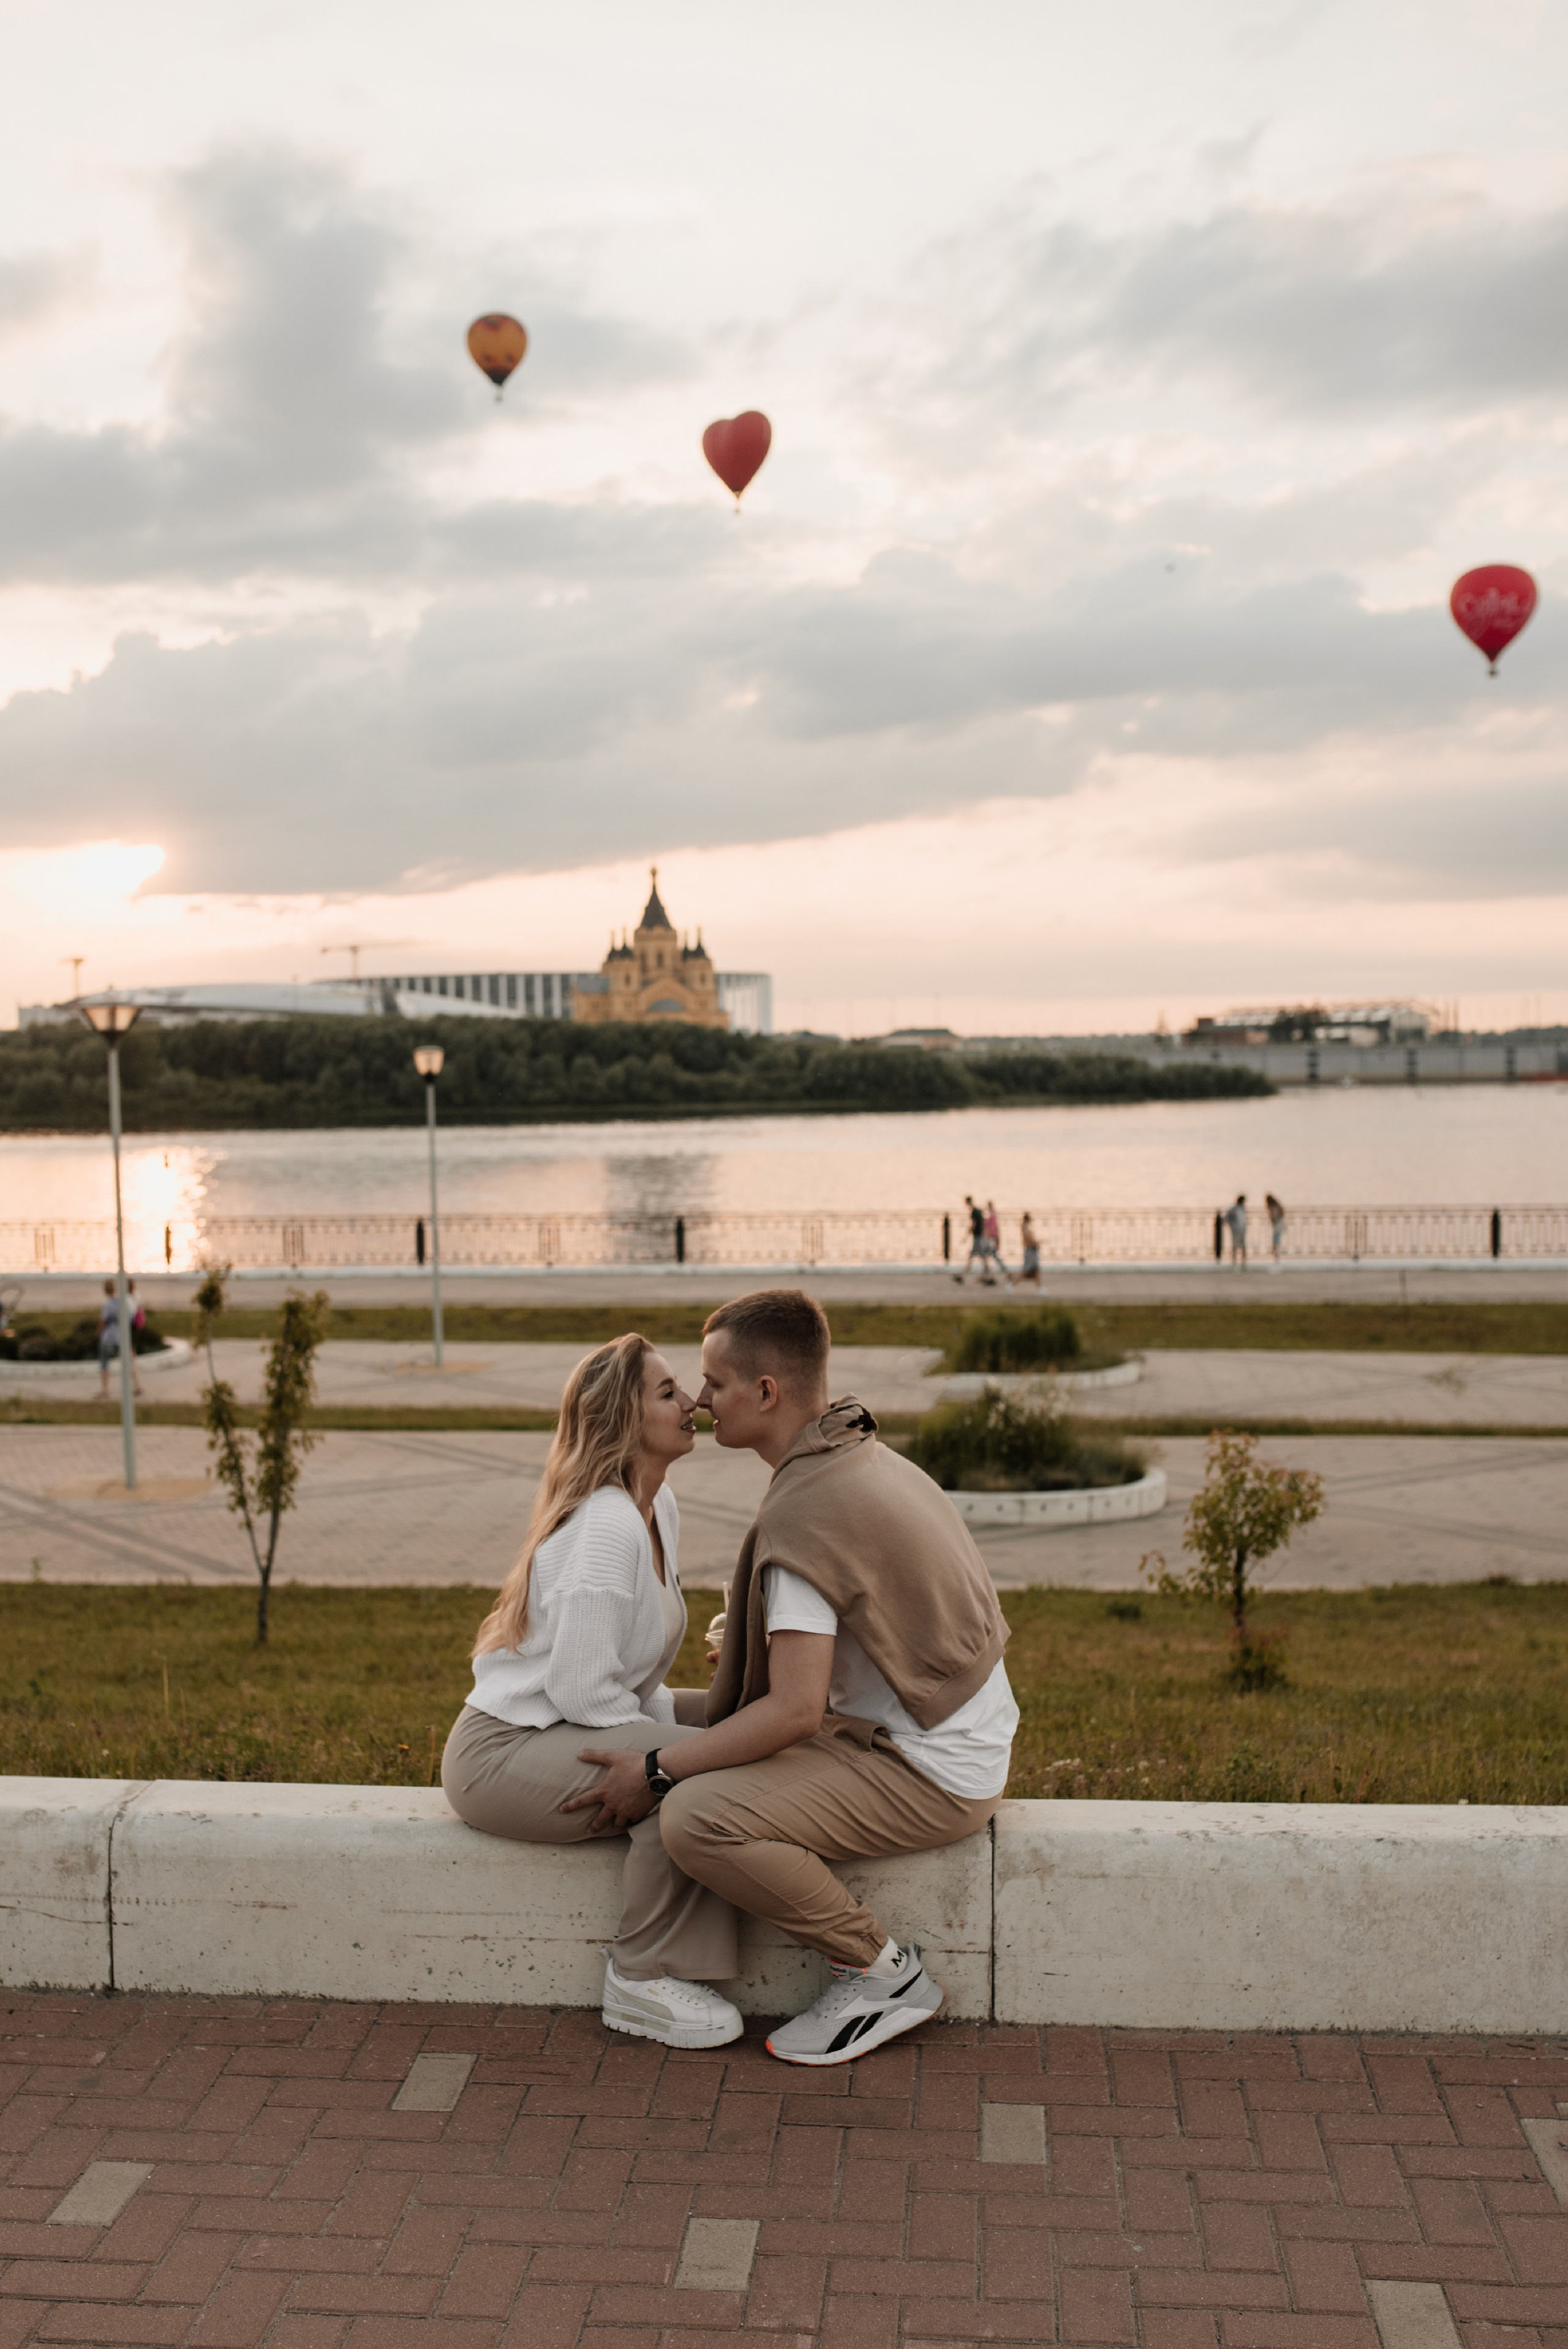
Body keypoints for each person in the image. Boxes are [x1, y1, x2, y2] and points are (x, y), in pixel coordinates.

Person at [570, 1289, 1018, 2068]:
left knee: (695, 1816)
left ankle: (879, 1973)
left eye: (714, 1381)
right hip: (952, 1731)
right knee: (706, 1742)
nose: (702, 1399)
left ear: (766, 1392)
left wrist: (653, 1769)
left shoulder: (805, 1514)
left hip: (930, 1769)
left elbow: (795, 1711)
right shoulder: (856, 1452)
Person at [442, 1335, 745, 2051]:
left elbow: (621, 1682)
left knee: (748, 1725)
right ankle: (640, 1978)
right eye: (668, 1392)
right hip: (506, 1750)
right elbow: (581, 1689)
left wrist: (688, 1724)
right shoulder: (606, 1525)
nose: (693, 1402)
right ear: (622, 1419)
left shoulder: (656, 1507)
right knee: (704, 1767)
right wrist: (667, 1758)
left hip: (570, 1722)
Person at [97, 1280, 145, 1401]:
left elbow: (104, 1321)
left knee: (104, 1364)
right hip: (122, 1338)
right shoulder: (124, 1303)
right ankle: (138, 1385)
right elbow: (130, 1319)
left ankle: (105, 1389)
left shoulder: (107, 1305)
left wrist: (99, 1333)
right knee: (130, 1361)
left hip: (108, 1338)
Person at [952, 1194, 987, 1283]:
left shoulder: (974, 1212)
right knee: (979, 1257)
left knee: (978, 1257)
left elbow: (974, 1225)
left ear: (968, 1202)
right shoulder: (978, 1211)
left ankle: (988, 1276)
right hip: (979, 1237)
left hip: (977, 1238)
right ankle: (964, 1276)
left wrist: (966, 1236)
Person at [1011, 1210, 1042, 1290]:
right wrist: (1038, 1242)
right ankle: (1012, 1284)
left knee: (1036, 1271)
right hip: (1030, 1252)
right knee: (1026, 1273)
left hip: (1032, 1251)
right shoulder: (1025, 1229)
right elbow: (1030, 1241)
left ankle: (1040, 1289)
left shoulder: (1026, 1228)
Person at [981, 1199, 1009, 1281]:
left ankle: (990, 1276)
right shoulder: (992, 1215)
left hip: (991, 1240)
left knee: (988, 1257)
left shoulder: (992, 1216)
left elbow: (993, 1229)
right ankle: (989, 1275)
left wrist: (991, 1238)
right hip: (991, 1239)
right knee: (991, 1257)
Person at [1224, 1193, 1248, 1269]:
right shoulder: (1234, 1209)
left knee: (1243, 1247)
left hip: (1242, 1230)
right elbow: (1227, 1217)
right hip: (1236, 1231)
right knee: (1235, 1247)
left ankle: (1243, 1263)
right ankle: (1234, 1262)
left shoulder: (1242, 1208)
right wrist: (1232, 1225)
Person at [1265, 1194, 1286, 1266]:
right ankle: (1276, 1258)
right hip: (1279, 1226)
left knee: (1275, 1242)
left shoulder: (1274, 1207)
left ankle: (1276, 1258)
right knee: (1276, 1242)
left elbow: (1275, 1217)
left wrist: (1273, 1220)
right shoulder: (1277, 1206)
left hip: (1277, 1226)